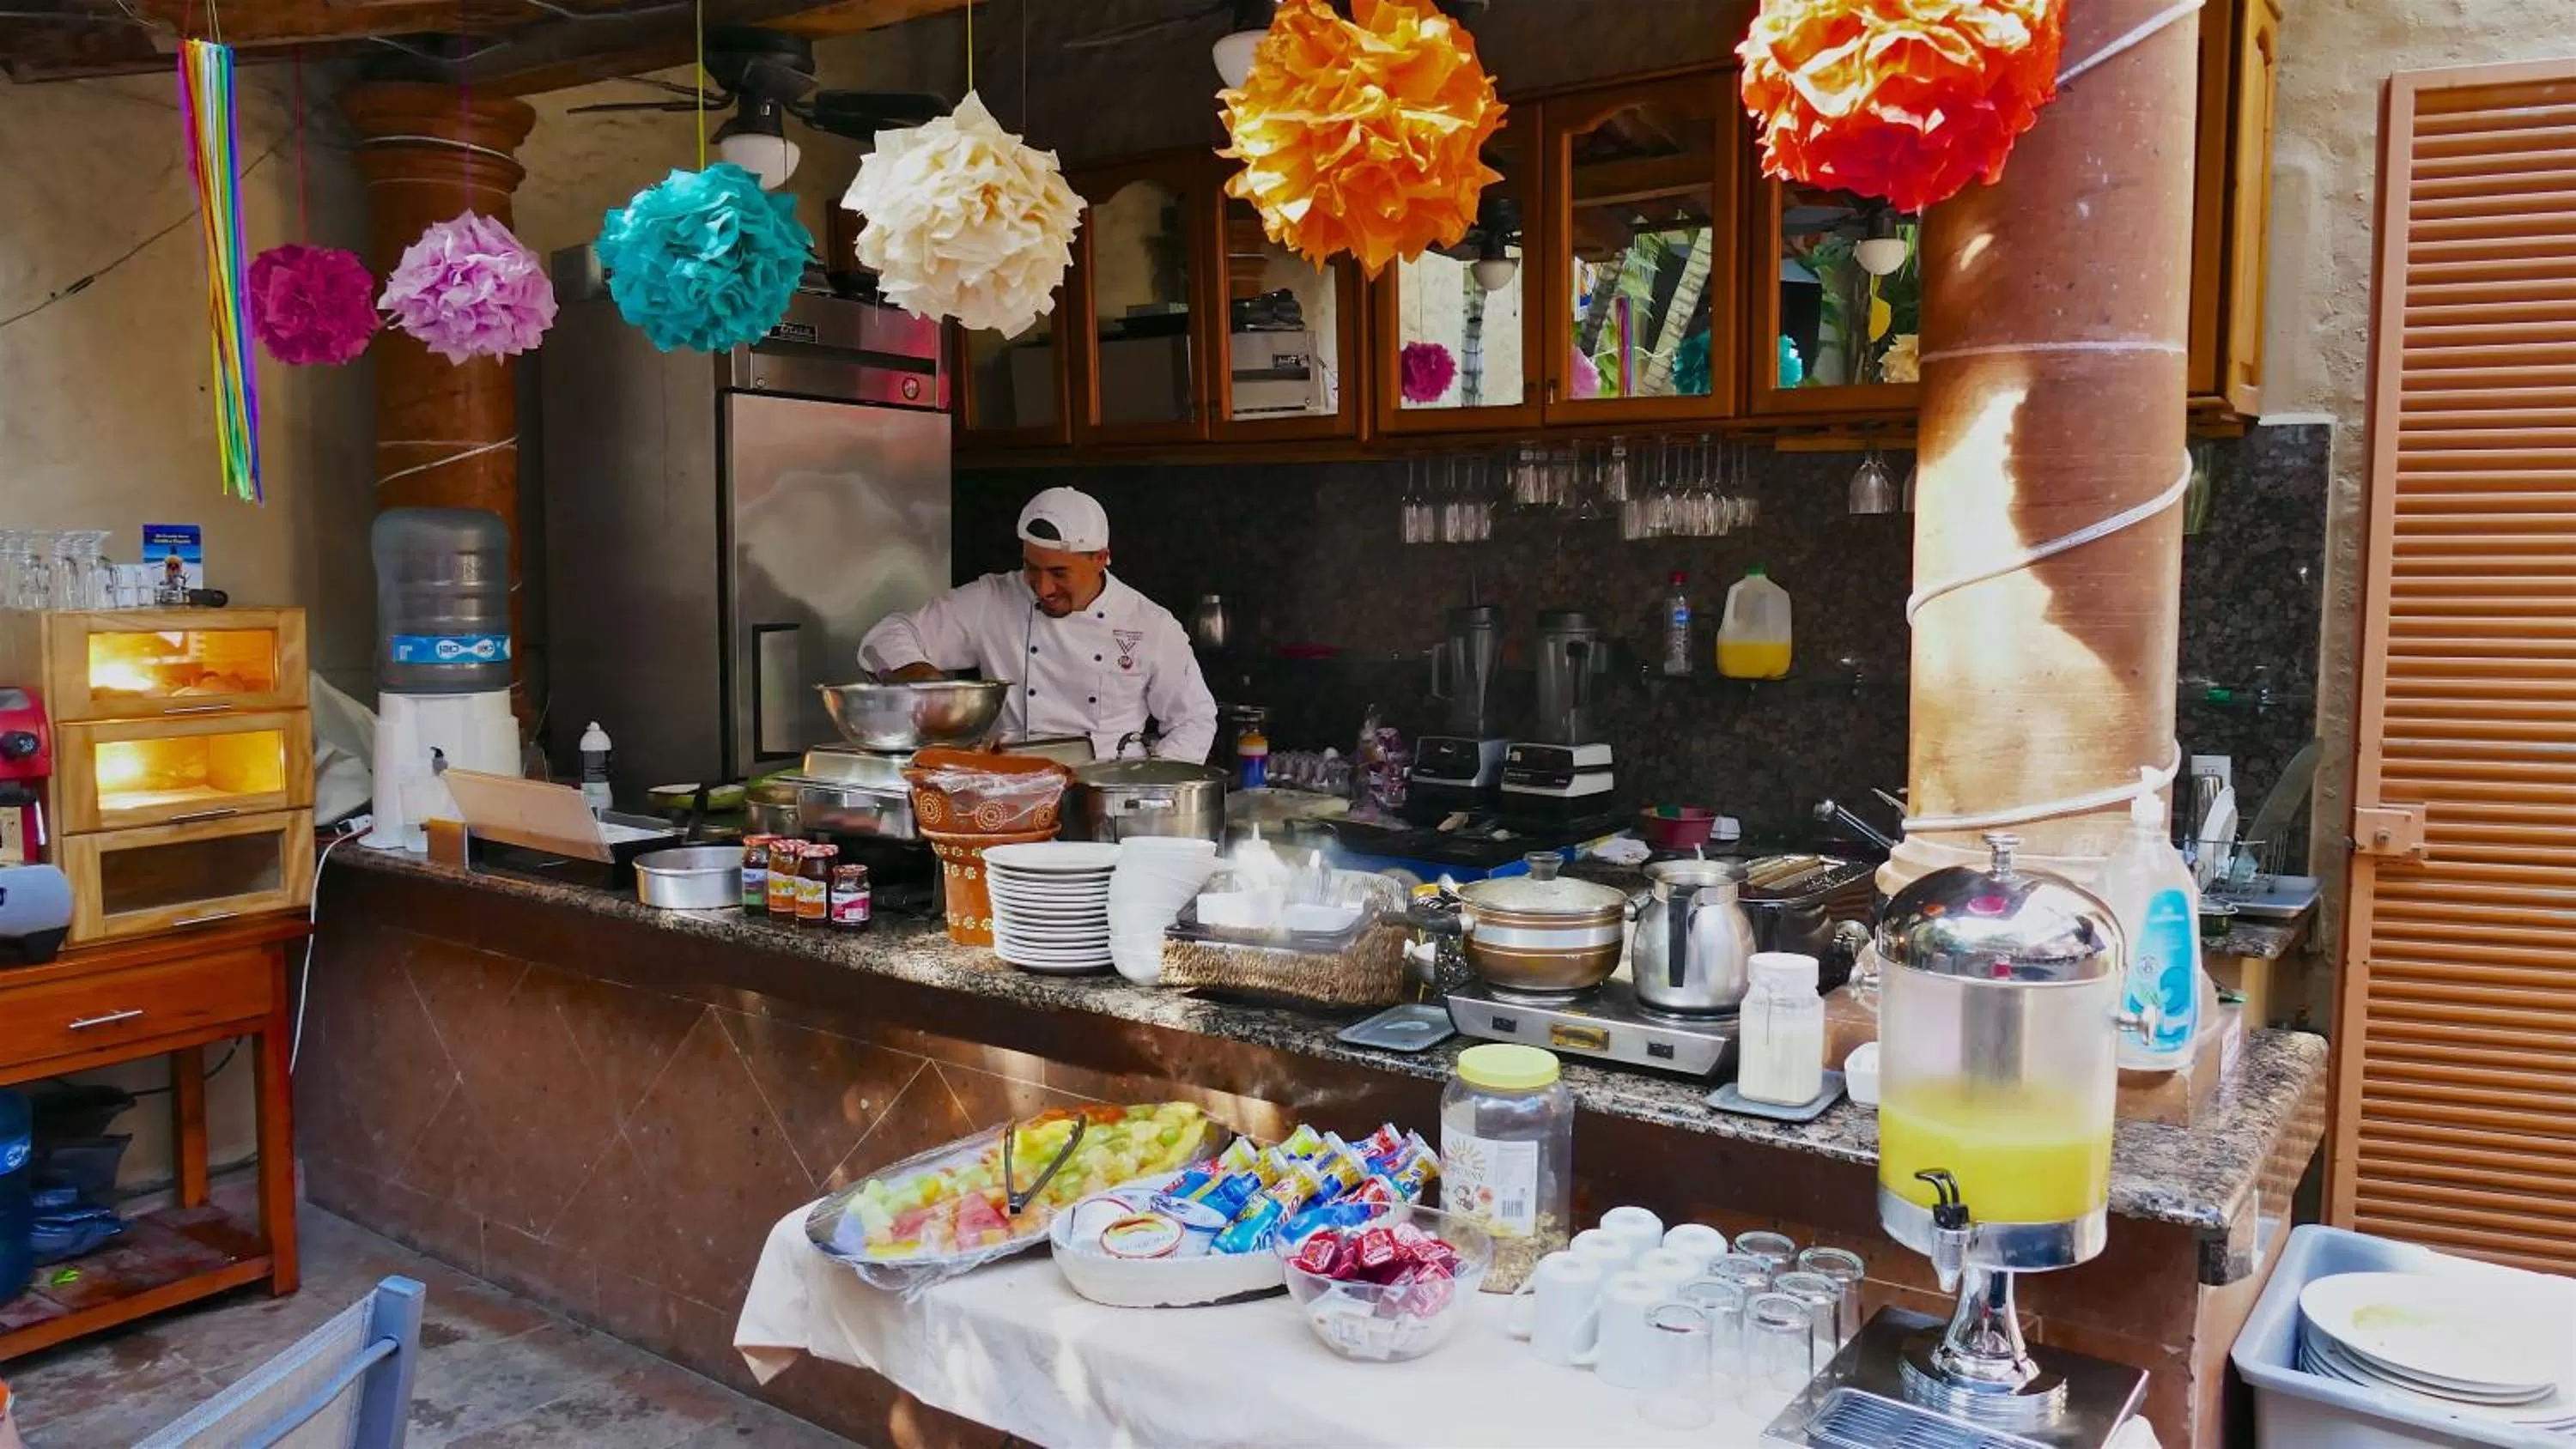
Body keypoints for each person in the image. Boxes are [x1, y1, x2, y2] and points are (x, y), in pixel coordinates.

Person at [859, 487, 1219, 763]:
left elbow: (1194, 719)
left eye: (1059, 573)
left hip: (1105, 803)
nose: (1043, 588)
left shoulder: (1150, 624)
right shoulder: (992, 601)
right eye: (1032, 568)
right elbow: (885, 637)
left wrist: (1148, 788)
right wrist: (917, 672)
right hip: (1007, 796)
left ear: (1101, 558)